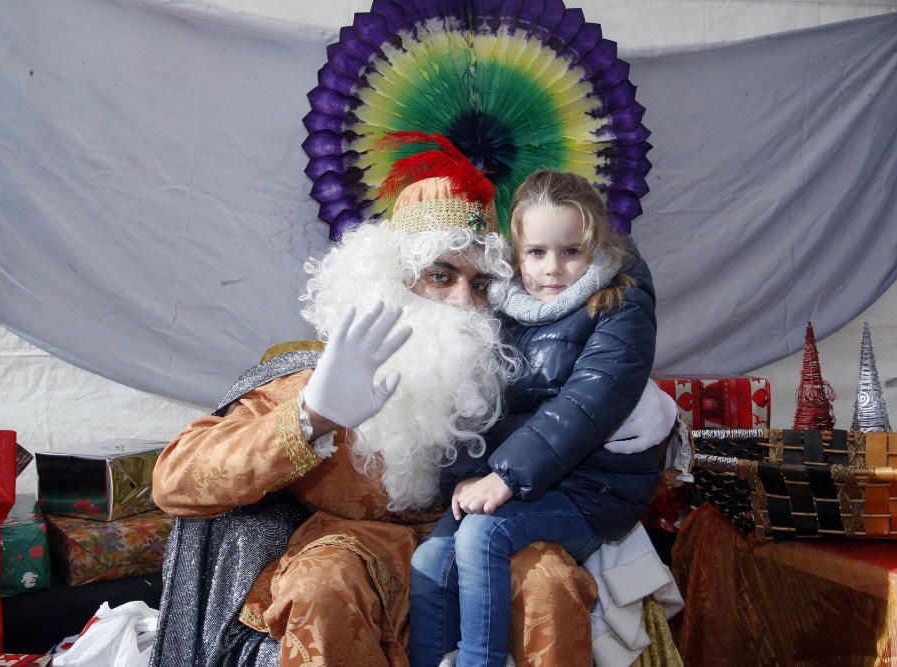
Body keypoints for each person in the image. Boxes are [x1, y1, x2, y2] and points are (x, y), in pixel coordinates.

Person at [152, 152, 599, 666]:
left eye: (480, 285)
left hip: (481, 544)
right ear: (390, 284)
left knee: (550, 581)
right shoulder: (321, 376)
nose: (462, 303)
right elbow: (174, 481)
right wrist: (311, 415)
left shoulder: (511, 373)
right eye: (440, 276)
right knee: (323, 585)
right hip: (353, 555)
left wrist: (649, 423)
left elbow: (597, 447)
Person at [408, 170, 666, 667]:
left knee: (484, 533)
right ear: (516, 252)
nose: (553, 268)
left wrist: (503, 476)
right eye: (537, 252)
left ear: (597, 244)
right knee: (431, 561)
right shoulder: (504, 308)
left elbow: (587, 404)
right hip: (529, 475)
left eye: (571, 251)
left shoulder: (620, 304)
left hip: (594, 487)